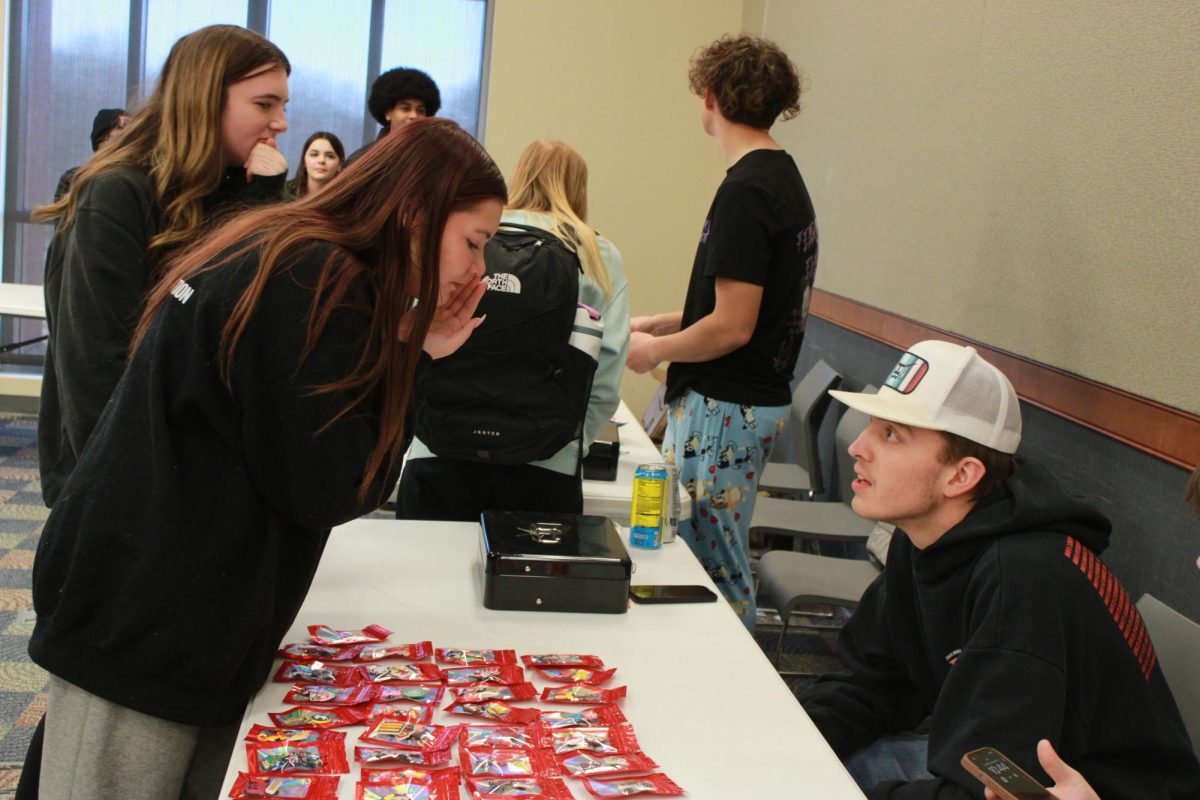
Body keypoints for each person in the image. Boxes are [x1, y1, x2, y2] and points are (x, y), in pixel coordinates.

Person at [28, 118, 504, 798]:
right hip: (146, 616)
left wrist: (409, 345)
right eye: (473, 242)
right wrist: (415, 350)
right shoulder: (317, 278)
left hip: (148, 596)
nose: (478, 270)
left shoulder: (297, 250)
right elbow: (333, 485)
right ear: (414, 212)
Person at [798, 339, 1200, 799]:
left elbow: (986, 791)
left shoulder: (1024, 580)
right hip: (994, 761)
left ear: (961, 476)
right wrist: (789, 740)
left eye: (891, 434)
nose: (859, 447)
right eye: (872, 426)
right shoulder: (924, 538)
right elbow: (872, 682)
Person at [34, 24, 291, 509]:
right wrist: (141, 495)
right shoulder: (115, 194)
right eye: (264, 104)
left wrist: (264, 202)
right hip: (120, 482)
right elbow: (95, 371)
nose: (279, 122)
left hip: (197, 470)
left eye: (283, 106)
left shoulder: (235, 191)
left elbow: (252, 326)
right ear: (205, 99)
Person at [625, 35, 816, 628]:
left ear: (709, 96)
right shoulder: (781, 177)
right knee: (713, 548)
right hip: (744, 399)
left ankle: (734, 691)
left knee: (712, 559)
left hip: (725, 404)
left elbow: (732, 328)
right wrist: (665, 321)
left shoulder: (746, 190)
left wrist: (653, 350)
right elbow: (750, 308)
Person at [396, 139, 630, 519]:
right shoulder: (595, 252)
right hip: (546, 464)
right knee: (529, 578)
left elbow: (417, 329)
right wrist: (570, 443)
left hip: (437, 447)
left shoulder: (474, 234)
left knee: (424, 573)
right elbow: (606, 373)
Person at [345, 66, 440, 165]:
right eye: (406, 109)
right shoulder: (362, 160)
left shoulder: (436, 159)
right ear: (388, 113)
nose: (414, 115)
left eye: (420, 110)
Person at [52, 108, 130, 201]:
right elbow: (58, 214)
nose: (130, 132)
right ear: (105, 135)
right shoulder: (73, 178)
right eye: (124, 125)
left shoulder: (136, 179)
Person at [288, 130, 345, 197]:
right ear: (304, 161)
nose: (321, 160)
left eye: (330, 156)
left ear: (340, 164)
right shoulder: (285, 194)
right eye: (314, 154)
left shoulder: (345, 199)